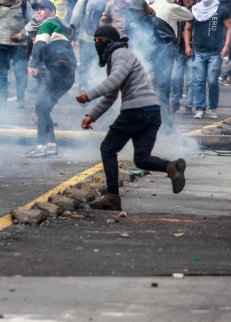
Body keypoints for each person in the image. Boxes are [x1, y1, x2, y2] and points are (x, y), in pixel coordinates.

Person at [75, 25, 186, 212]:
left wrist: (89, 95)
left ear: (109, 41)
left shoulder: (120, 54)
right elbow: (111, 95)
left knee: (107, 148)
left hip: (137, 110)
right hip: (151, 112)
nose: (96, 44)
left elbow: (114, 81)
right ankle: (171, 167)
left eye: (99, 40)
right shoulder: (116, 57)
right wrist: (91, 115)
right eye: (94, 41)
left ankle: (112, 197)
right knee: (141, 159)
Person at [25, 0, 75, 157]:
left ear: (52, 12)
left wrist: (32, 64)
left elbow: (39, 45)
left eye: (42, 9)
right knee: (43, 108)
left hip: (56, 70)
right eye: (36, 10)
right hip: (67, 73)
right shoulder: (61, 27)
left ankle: (42, 146)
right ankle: (50, 145)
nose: (38, 12)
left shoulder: (47, 24)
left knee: (41, 107)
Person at [186, 0, 231, 119]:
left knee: (212, 81)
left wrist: (227, 46)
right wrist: (188, 46)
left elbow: (229, 28)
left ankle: (213, 107)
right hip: (198, 52)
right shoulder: (194, 10)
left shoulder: (221, 10)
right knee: (199, 81)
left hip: (215, 52)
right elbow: (187, 29)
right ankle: (200, 108)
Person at [0, 0, 30, 108]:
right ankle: (2, 100)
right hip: (1, 44)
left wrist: (21, 35)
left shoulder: (24, 4)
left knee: (20, 73)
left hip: (20, 45)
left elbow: (32, 23)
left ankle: (20, 100)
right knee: (1, 73)